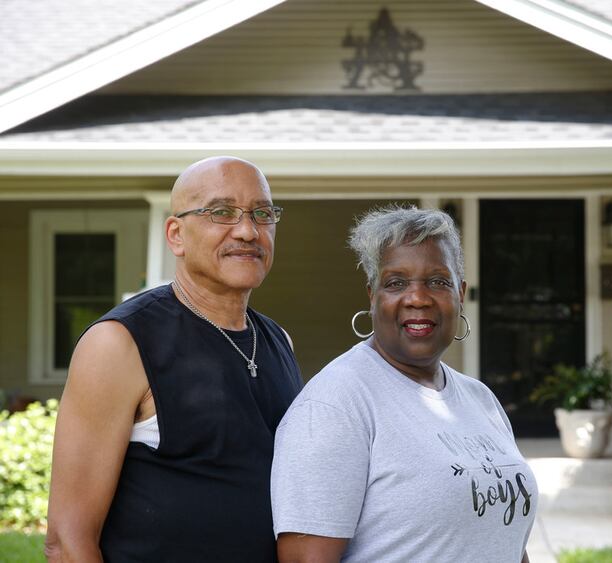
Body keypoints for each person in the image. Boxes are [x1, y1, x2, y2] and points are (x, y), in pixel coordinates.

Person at [45, 156, 303, 562]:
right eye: (222, 213)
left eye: (263, 214)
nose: (248, 231)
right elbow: (67, 540)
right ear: (176, 234)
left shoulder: (278, 341)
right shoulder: (120, 343)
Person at [271, 206, 537, 563]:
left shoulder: (480, 399)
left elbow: (504, 542)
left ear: (460, 293)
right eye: (396, 283)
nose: (417, 298)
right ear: (372, 295)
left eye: (438, 281)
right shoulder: (335, 406)